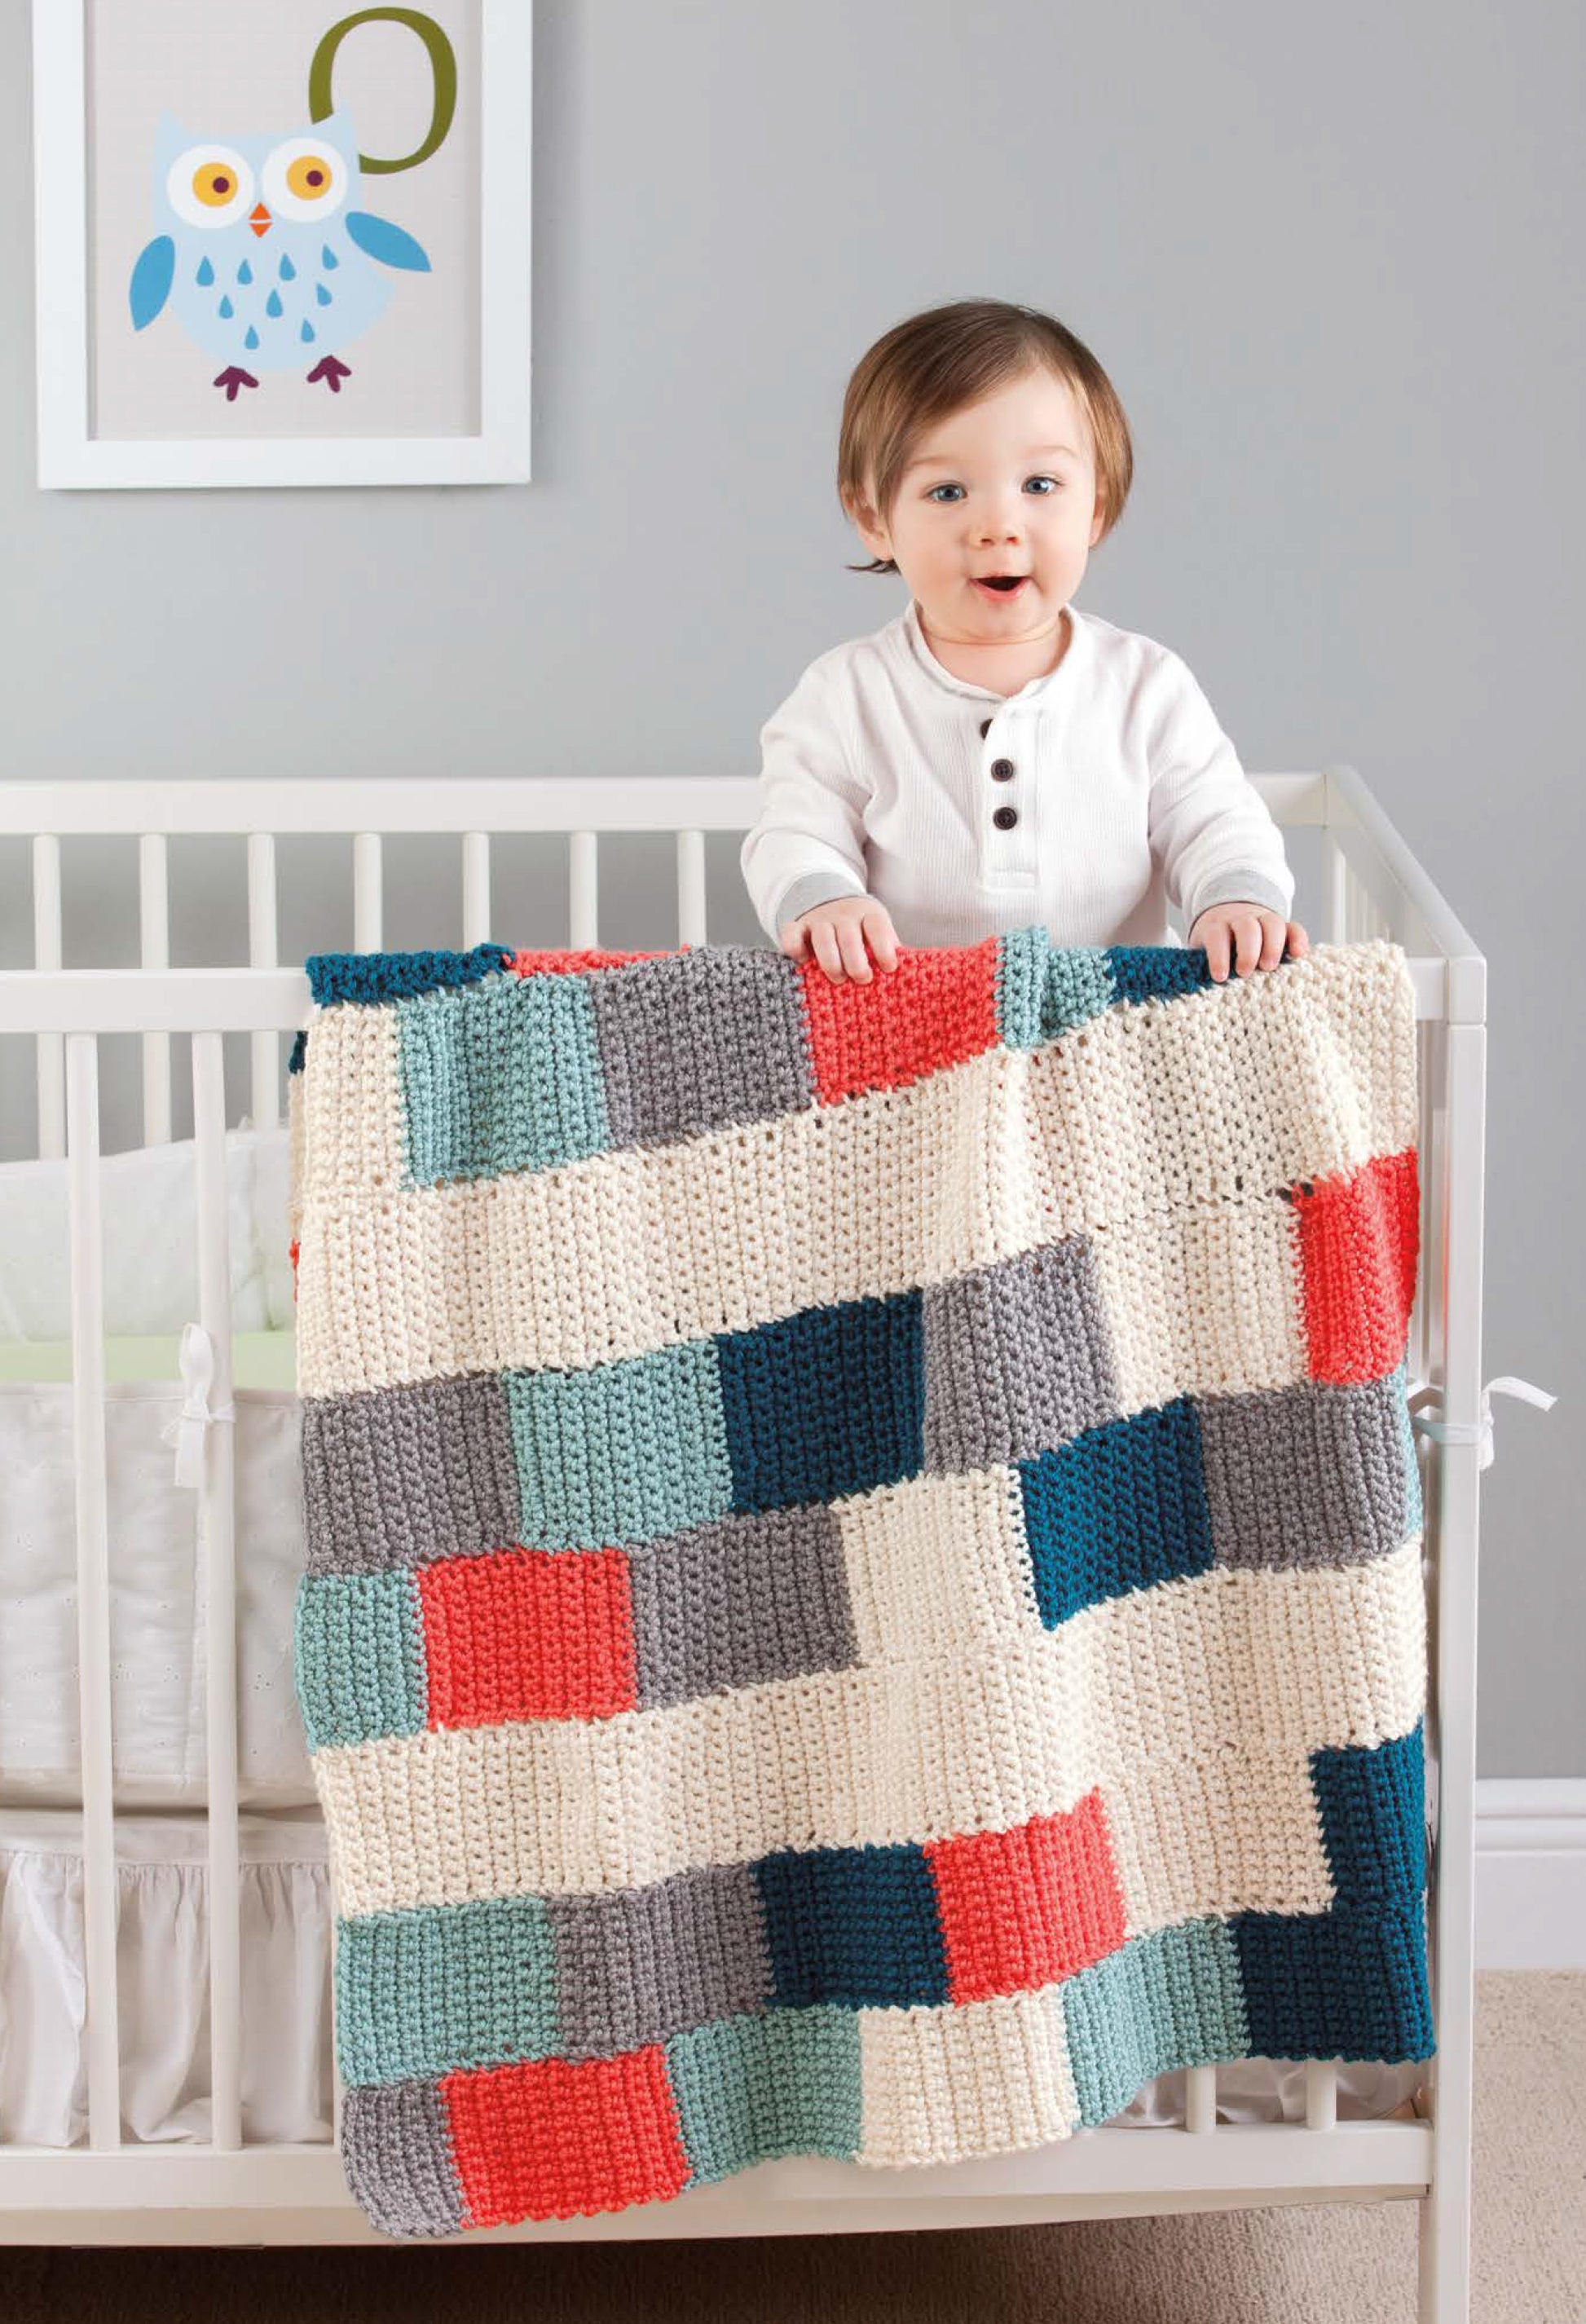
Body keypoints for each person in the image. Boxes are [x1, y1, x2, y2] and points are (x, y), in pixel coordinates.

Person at [740, 298, 1311, 988]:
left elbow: (1216, 817)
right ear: (873, 517)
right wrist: (824, 896)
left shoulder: (1144, 686)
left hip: (1117, 1033)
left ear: (1095, 506)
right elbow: (794, 830)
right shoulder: (846, 694)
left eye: (1041, 485)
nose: (997, 525)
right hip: (919, 1046)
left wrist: (1236, 898)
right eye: (947, 491)